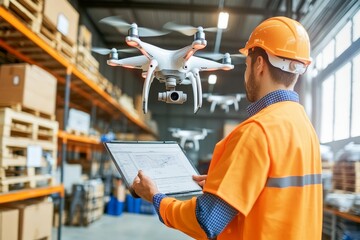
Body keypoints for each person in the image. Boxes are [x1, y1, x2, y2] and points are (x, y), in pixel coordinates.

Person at [132, 16, 323, 240]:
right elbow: (276, 198)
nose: (245, 73)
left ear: (259, 64)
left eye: (247, 64)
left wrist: (156, 197)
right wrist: (223, 185)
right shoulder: (305, 128)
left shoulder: (257, 131)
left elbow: (206, 220)